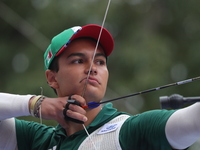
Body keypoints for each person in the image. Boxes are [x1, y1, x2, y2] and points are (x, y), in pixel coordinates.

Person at [1, 24, 200, 150]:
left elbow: (193, 121)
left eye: (100, 62)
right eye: (79, 61)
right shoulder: (37, 140)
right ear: (52, 78)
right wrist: (35, 104)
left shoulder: (129, 131)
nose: (93, 69)